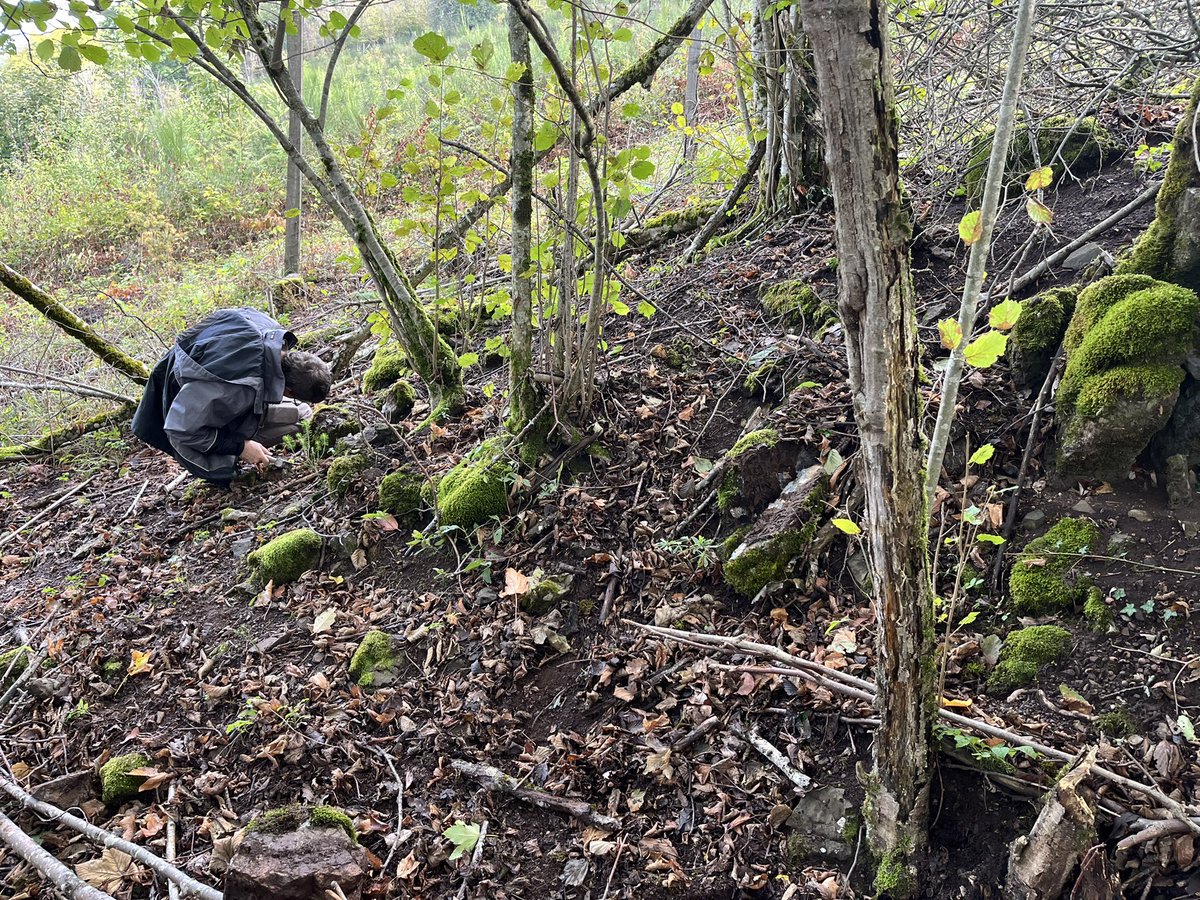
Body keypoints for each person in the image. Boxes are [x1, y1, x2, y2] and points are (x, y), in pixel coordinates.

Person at [132, 307, 331, 485]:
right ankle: (227, 463)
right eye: (293, 398)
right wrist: (242, 447)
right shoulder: (238, 386)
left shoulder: (274, 338)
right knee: (222, 470)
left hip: (205, 387)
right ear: (290, 391)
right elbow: (180, 429)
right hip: (175, 411)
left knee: (302, 416)